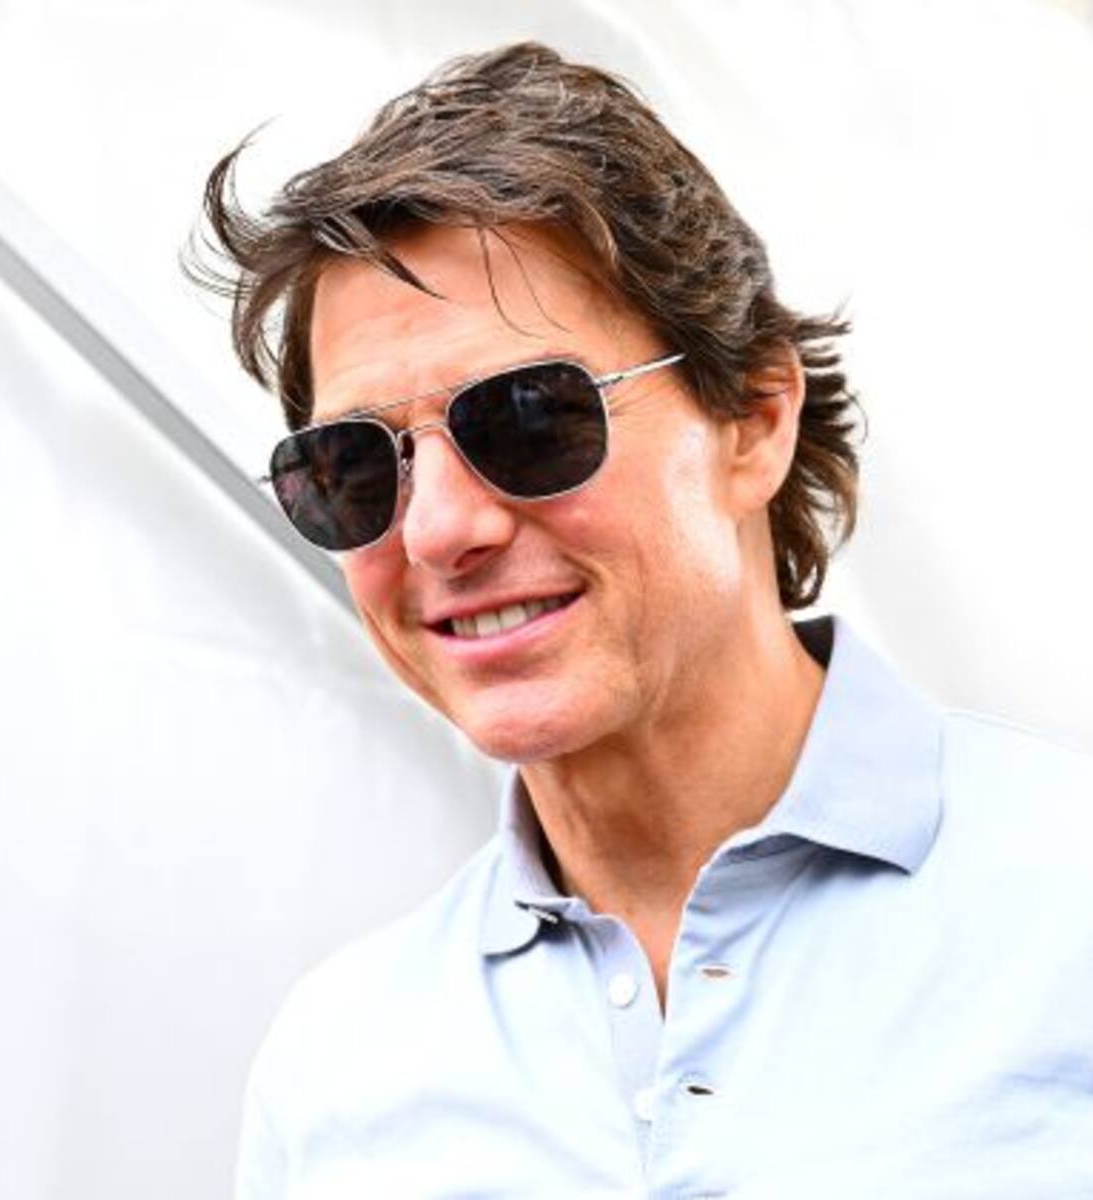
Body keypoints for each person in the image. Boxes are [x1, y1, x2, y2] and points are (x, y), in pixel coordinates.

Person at [189, 42, 1093, 1198]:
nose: (439, 532)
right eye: (354, 467)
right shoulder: (335, 1071)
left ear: (754, 419)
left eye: (528, 416)